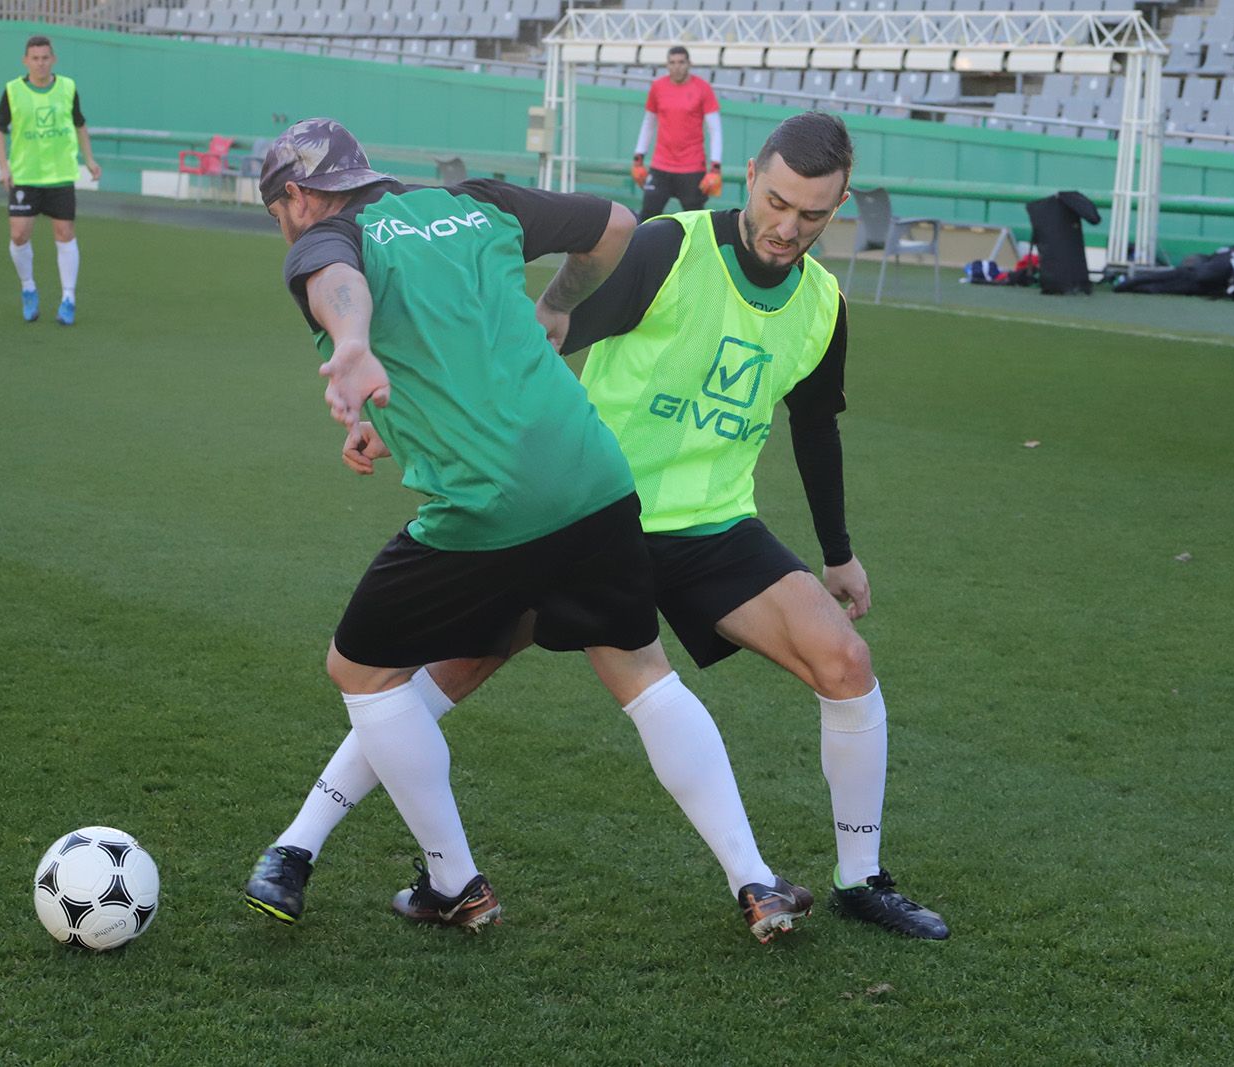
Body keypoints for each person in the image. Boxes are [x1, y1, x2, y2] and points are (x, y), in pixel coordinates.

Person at [247, 112, 950, 941]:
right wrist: (413, 405)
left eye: (813, 215)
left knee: (374, 674)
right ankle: (301, 843)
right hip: (602, 496)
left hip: (617, 517)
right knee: (519, 679)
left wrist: (353, 342)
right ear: (752, 174)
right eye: (777, 201)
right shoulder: (589, 228)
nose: (788, 226)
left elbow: (815, 424)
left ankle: (450, 880)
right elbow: (538, 315)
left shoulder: (824, 303)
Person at [0, 35, 101, 326]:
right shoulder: (13, 90)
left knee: (64, 233)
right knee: (18, 235)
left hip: (60, 174)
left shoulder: (67, 88)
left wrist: (89, 159)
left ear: (53, 59)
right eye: (35, 58)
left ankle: (68, 299)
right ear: (26, 61)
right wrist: (3, 166)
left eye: (45, 57)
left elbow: (80, 123)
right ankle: (28, 288)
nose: (40, 63)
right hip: (25, 176)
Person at [630, 46, 722, 222]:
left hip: (692, 168)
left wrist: (715, 168)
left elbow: (715, 129)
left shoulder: (703, 88)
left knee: (696, 223)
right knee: (647, 218)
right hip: (660, 166)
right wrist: (638, 158)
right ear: (667, 65)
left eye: (681, 62)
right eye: (672, 62)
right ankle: (643, 250)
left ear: (689, 64)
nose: (677, 67)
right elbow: (649, 122)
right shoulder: (658, 87)